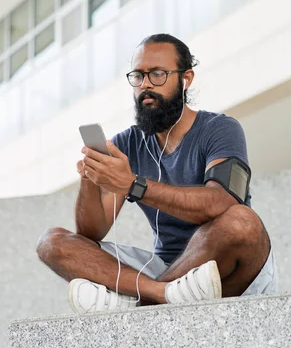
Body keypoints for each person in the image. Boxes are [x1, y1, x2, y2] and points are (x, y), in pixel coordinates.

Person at [37, 33, 277, 313]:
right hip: (164, 269)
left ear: (186, 78)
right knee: (52, 243)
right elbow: (92, 231)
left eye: (158, 74)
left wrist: (134, 185)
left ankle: (140, 302)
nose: (146, 84)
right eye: (138, 76)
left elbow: (221, 202)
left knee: (241, 223)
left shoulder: (220, 129)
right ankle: (159, 295)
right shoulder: (127, 143)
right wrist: (92, 178)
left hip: (222, 266)